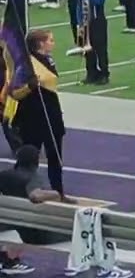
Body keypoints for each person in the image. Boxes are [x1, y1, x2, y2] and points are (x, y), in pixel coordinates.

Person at [0, 144, 74, 274]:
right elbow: (35, 196)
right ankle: (78, 266)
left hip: (9, 224)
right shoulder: (32, 177)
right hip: (33, 233)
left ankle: (6, 258)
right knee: (74, 232)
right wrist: (57, 194)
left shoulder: (4, 175)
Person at [10, 30, 67, 197]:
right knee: (27, 157)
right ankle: (17, 188)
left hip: (51, 114)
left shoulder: (49, 60)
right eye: (50, 40)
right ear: (40, 43)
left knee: (55, 156)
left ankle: (59, 191)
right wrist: (30, 86)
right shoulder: (26, 64)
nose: (53, 43)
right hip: (32, 117)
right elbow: (14, 93)